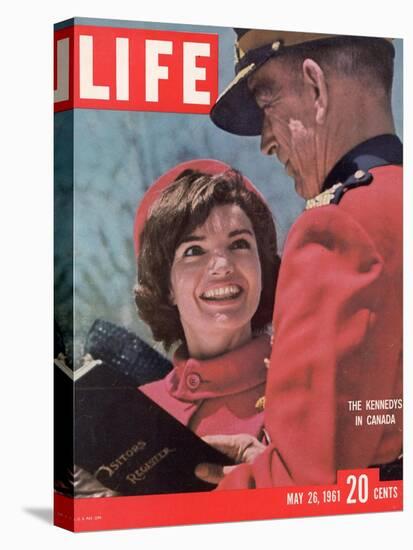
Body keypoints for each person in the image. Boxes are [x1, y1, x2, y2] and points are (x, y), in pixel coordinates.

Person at [195, 30, 403, 487]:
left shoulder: (336, 229)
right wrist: (270, 454)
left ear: (316, 88)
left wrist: (183, 495)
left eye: (267, 105)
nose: (266, 143)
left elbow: (302, 490)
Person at [134, 159, 280, 444]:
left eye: (239, 244)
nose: (222, 266)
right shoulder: (136, 412)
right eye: (194, 250)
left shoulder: (305, 382)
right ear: (167, 287)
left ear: (261, 267)